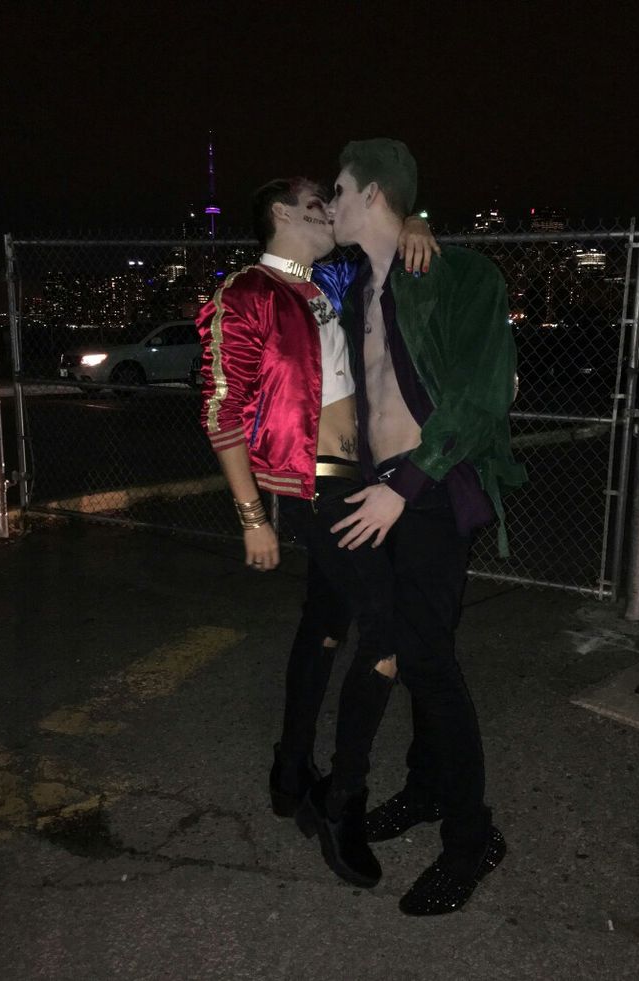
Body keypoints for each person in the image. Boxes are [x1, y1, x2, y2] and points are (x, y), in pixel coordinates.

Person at [197, 176, 437, 889]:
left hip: (356, 475)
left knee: (325, 623)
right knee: (385, 629)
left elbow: (390, 239)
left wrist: (419, 214)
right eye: (315, 206)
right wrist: (250, 518)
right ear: (278, 214)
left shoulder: (332, 279)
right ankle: (343, 801)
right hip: (309, 486)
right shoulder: (246, 293)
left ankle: (291, 764)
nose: (329, 214)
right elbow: (222, 411)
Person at [323, 139, 527, 916]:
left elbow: (479, 400)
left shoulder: (463, 275)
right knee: (410, 651)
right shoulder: (357, 286)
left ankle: (473, 840)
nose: (334, 203)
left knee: (430, 661)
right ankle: (426, 787)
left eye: (341, 190)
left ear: (375, 194)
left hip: (433, 493)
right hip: (382, 493)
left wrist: (404, 487)